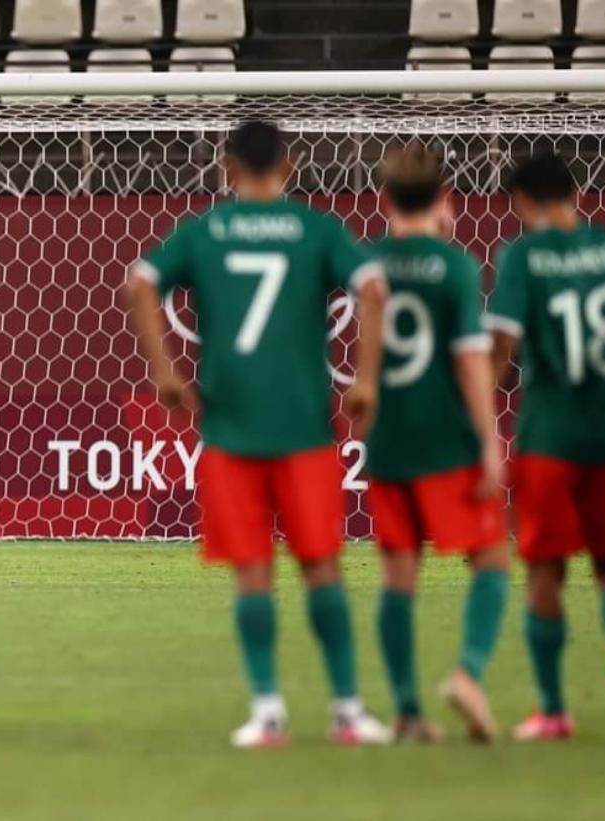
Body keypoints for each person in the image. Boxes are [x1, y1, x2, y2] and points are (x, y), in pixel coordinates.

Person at [128, 120, 392, 747]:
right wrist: (368, 379)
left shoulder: (204, 232)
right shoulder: (317, 229)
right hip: (304, 431)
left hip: (230, 431)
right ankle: (348, 712)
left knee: (252, 573)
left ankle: (267, 712)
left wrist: (165, 372)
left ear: (226, 168)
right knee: (322, 569)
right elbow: (375, 287)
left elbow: (139, 282)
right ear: (290, 165)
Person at [364, 144, 509, 743]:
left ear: (384, 199)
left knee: (399, 575)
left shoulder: (368, 264)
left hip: (388, 437)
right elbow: (471, 361)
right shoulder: (454, 266)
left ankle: (405, 712)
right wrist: (489, 437)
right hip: (445, 439)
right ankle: (468, 674)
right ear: (445, 198)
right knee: (492, 561)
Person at [486, 153, 605, 740]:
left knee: (546, 569)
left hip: (550, 435)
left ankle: (552, 711)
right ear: (574, 192)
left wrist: (475, 413)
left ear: (521, 201)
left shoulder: (524, 255)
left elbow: (502, 347)